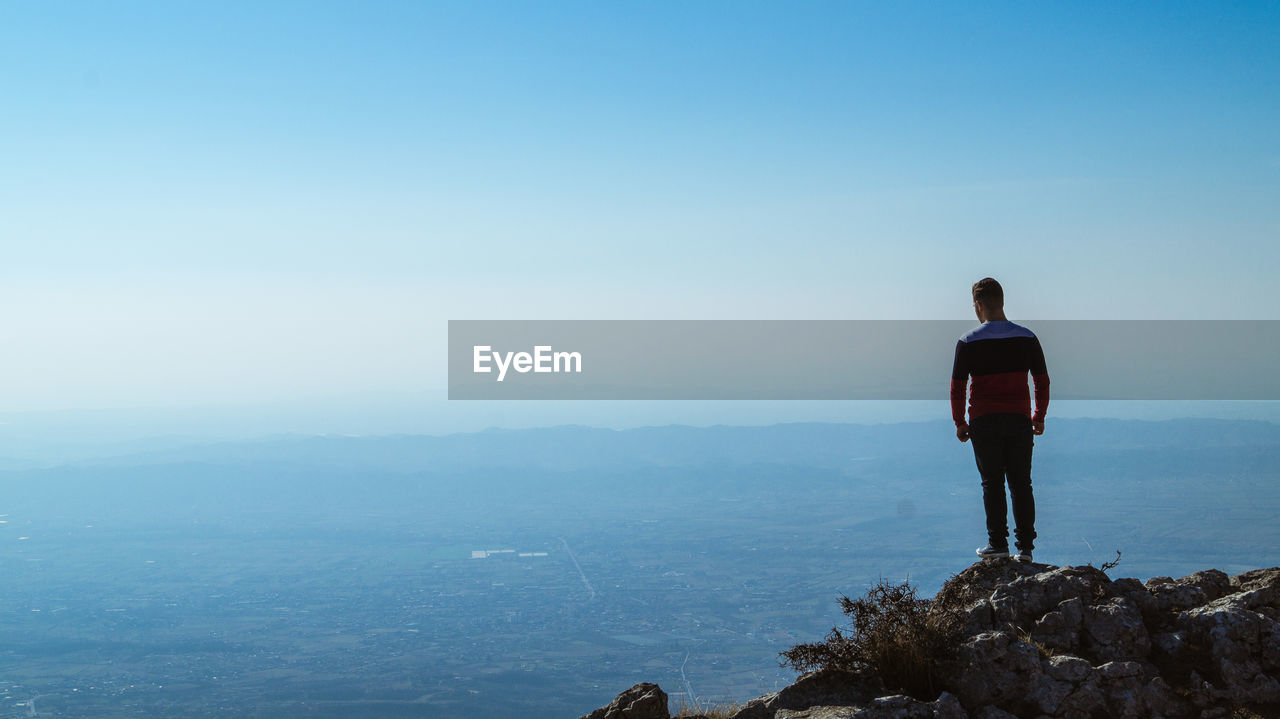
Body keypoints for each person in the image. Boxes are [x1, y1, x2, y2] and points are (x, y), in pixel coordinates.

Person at [950, 278, 1049, 563]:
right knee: (1021, 483)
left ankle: (998, 544)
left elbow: (957, 386)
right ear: (1002, 301)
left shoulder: (968, 341)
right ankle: (1026, 549)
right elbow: (1042, 382)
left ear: (979, 305)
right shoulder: (1027, 337)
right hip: (1019, 420)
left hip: (984, 421)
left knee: (991, 483)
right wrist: (1038, 416)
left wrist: (959, 421)